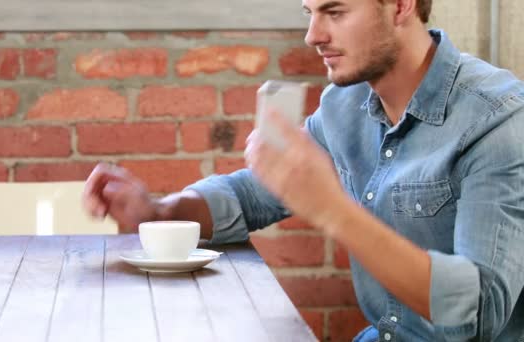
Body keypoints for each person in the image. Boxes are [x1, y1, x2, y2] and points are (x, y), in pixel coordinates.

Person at [82, 0, 524, 340]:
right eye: (309, 12)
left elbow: (480, 312)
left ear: (401, 6)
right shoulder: (344, 105)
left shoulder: (498, 118)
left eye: (334, 11)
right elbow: (254, 193)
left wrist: (332, 210)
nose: (313, 34)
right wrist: (159, 211)